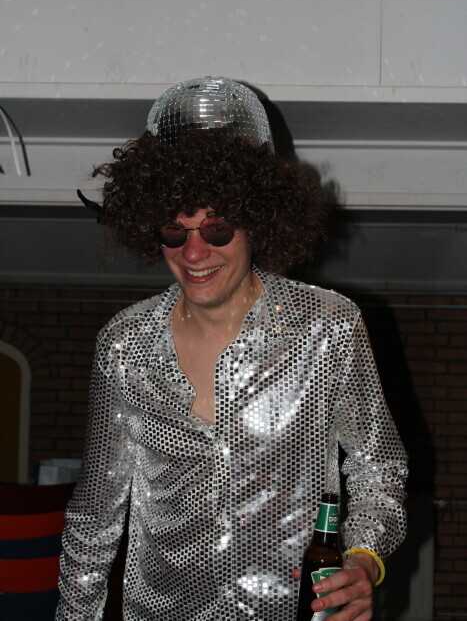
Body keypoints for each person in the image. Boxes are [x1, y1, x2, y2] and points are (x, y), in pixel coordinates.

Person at [56, 77, 408, 621]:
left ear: (256, 223)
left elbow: (378, 469)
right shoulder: (124, 346)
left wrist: (363, 562)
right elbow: (95, 515)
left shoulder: (328, 328)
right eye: (175, 232)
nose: (194, 252)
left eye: (216, 229)